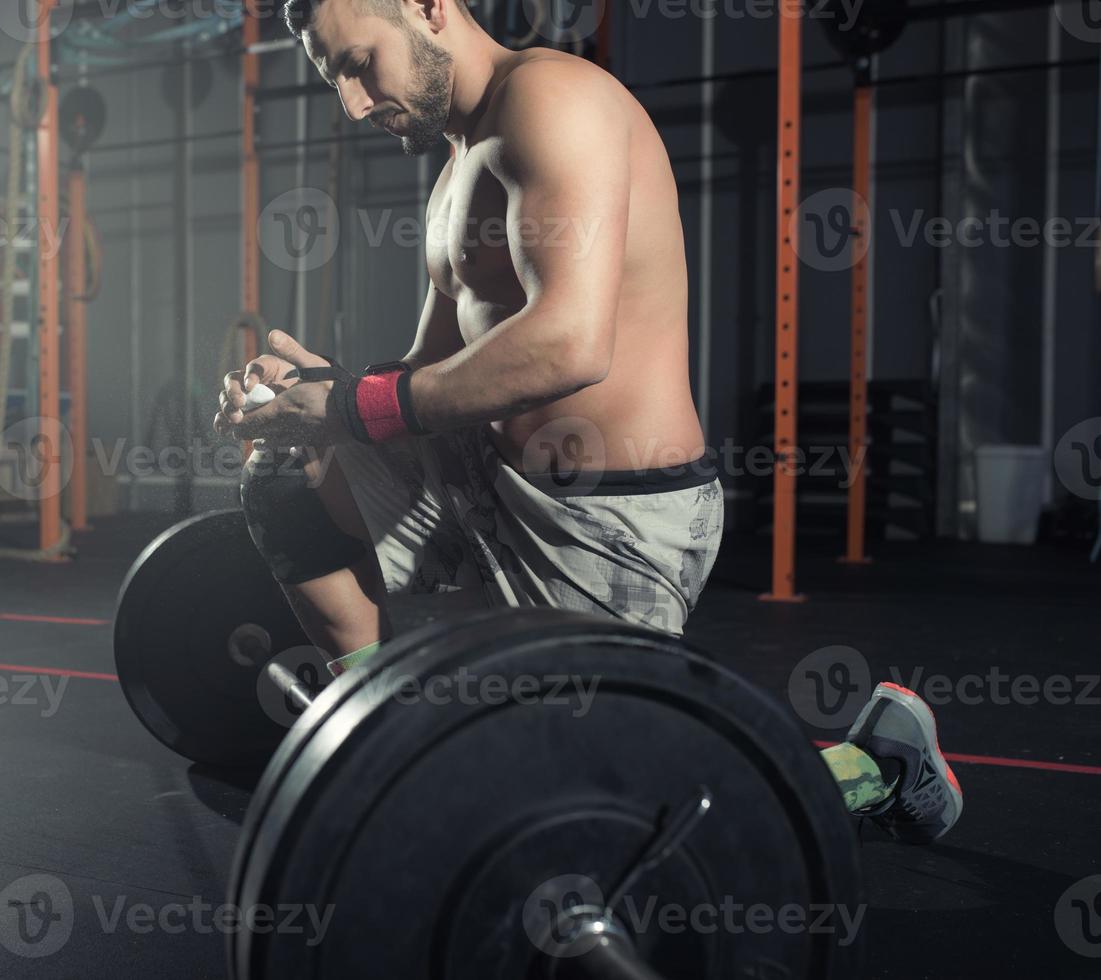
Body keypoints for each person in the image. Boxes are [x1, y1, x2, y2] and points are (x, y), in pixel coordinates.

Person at [215, 0, 961, 843]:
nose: (352, 104)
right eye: (333, 80)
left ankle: (879, 766)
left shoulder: (554, 101)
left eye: (358, 64)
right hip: (484, 474)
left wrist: (351, 406)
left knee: (589, 808)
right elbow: (422, 378)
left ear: (428, 9)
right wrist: (313, 399)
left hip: (609, 512)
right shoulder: (460, 157)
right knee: (284, 474)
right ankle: (376, 724)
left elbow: (570, 346)